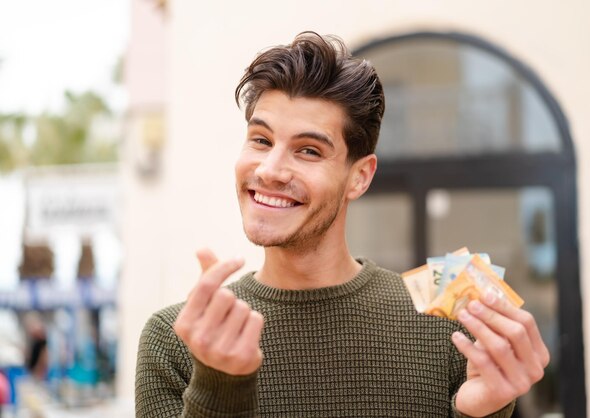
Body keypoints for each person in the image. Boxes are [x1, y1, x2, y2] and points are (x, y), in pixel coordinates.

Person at [135, 31, 549, 417]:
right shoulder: (174, 342)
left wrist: (482, 414)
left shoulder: (448, 331)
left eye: (309, 150)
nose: (270, 169)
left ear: (360, 177)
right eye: (261, 140)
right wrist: (220, 385)